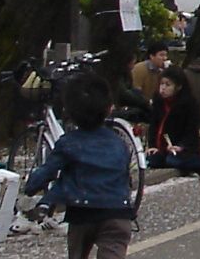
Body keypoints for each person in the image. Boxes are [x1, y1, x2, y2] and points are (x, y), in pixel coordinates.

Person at [22, 72, 137, 258]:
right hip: (118, 211)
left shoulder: (68, 143)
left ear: (69, 113)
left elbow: (47, 171)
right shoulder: (119, 143)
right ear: (109, 109)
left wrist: (29, 187)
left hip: (82, 213)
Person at [145, 67, 200, 177]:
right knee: (151, 161)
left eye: (168, 85)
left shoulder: (188, 104)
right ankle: (192, 167)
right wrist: (152, 145)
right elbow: (154, 125)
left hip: (184, 148)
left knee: (173, 160)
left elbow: (191, 131)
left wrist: (181, 146)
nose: (163, 88)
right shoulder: (158, 101)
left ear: (178, 87)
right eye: (161, 84)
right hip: (163, 147)